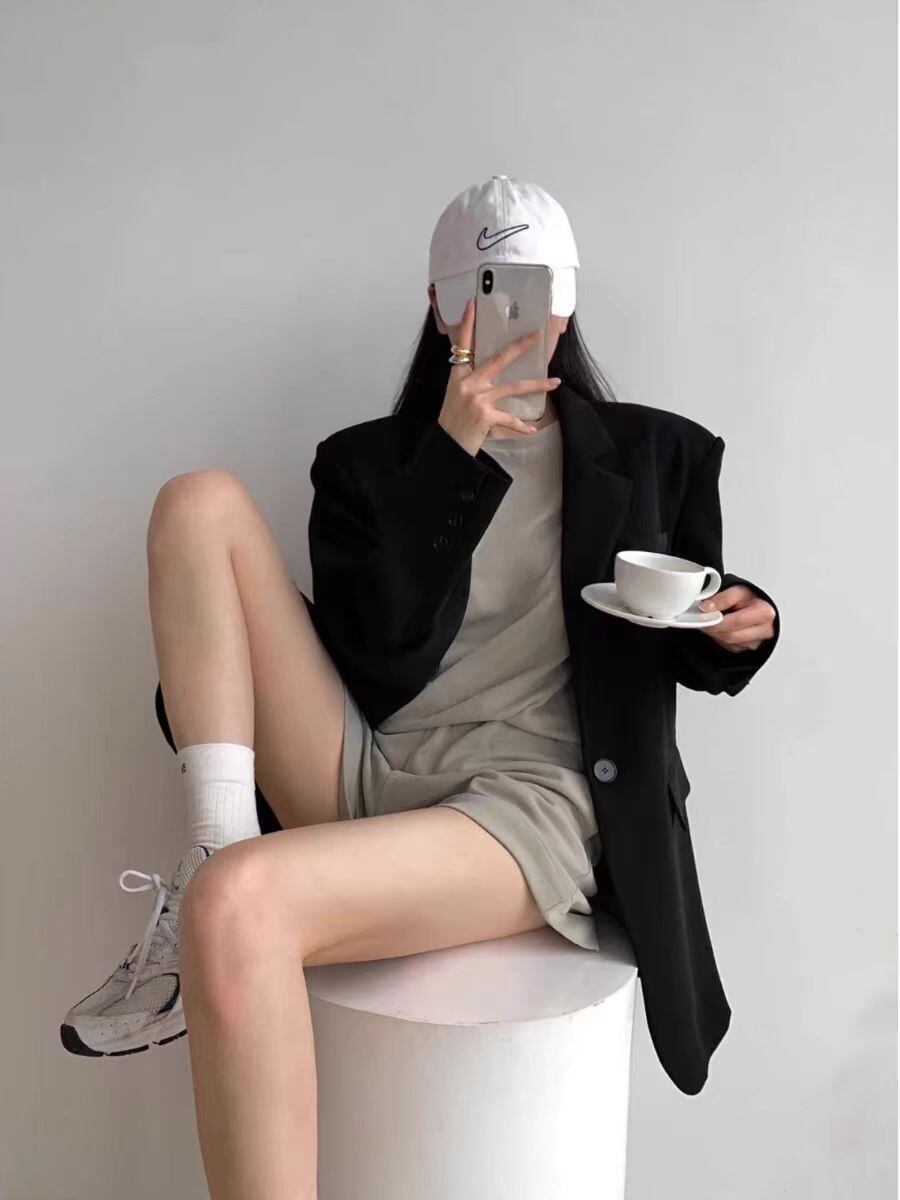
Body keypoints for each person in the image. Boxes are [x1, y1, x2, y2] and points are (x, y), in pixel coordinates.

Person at [61, 176, 779, 1193]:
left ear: (567, 299)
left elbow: (690, 631)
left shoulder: (657, 453)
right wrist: (451, 455)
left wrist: (749, 624)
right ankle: (211, 844)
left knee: (241, 905)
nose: (511, 308)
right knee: (198, 501)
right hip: (370, 762)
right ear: (443, 307)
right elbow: (380, 659)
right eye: (484, 286)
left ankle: (216, 891)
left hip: (530, 803)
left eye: (533, 284)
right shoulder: (366, 466)